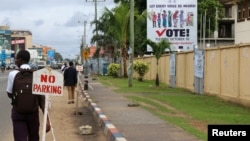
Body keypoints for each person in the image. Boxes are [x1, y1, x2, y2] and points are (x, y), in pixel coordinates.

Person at [6, 50, 50, 141]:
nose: (16, 60)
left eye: (17, 58)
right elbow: (41, 98)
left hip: (18, 112)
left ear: (21, 60)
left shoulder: (12, 74)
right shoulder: (36, 75)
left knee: (20, 138)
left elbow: (9, 94)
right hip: (33, 113)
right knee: (33, 138)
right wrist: (47, 120)